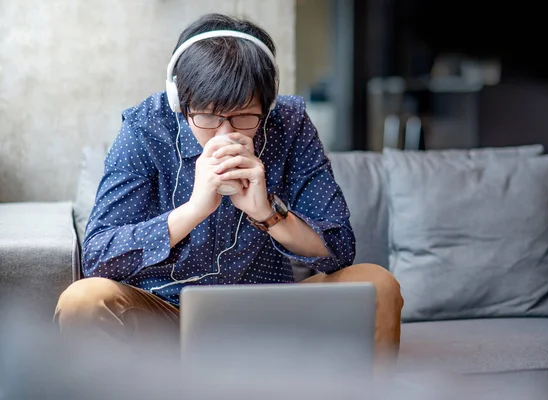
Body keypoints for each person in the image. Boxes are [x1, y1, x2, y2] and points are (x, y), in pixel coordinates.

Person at [54, 13, 403, 363]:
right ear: (180, 101)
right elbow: (98, 255)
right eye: (206, 117)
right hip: (165, 315)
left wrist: (267, 213)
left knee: (377, 285)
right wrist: (193, 210)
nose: (225, 135)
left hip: (270, 313)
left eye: (244, 117)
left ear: (267, 106)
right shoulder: (146, 126)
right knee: (82, 300)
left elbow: (339, 249)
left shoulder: (290, 123)